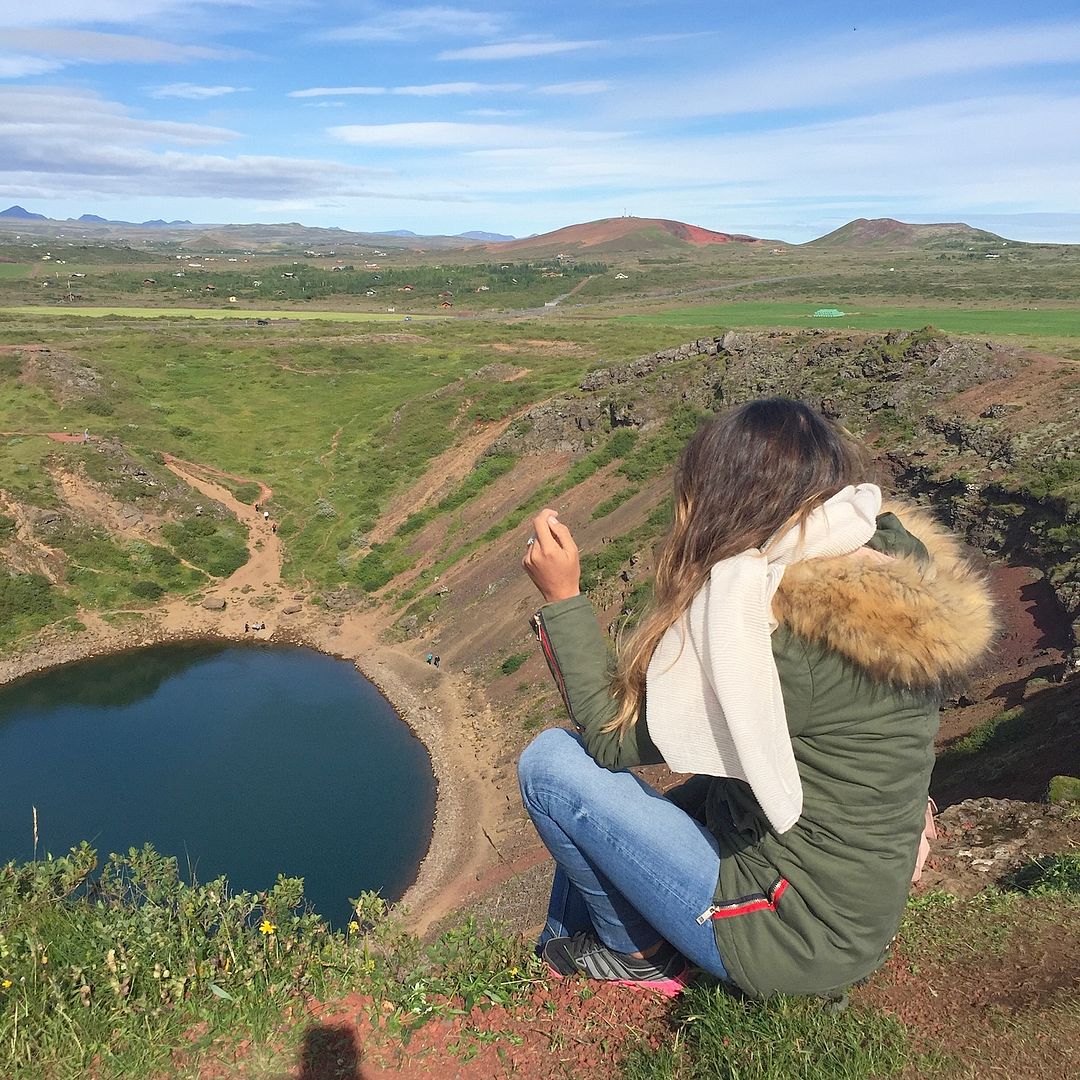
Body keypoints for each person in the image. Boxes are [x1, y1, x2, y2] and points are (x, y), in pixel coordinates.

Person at [517, 397, 994, 999]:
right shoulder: (880, 564)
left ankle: (631, 958)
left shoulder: (773, 630)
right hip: (846, 906)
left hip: (792, 932)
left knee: (554, 767)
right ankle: (563, 952)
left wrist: (562, 599)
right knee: (664, 801)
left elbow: (607, 739)